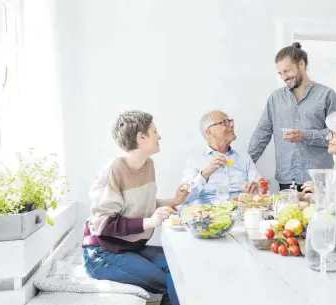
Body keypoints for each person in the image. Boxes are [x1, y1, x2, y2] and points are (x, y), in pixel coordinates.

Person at [82, 110, 187, 305]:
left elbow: (140, 205)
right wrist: (150, 222)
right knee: (177, 280)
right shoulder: (113, 171)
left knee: (181, 264)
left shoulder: (148, 165)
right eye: (155, 131)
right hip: (103, 254)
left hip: (130, 249)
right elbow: (104, 224)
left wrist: (174, 201)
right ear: (141, 137)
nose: (159, 136)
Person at [248, 41, 336, 192]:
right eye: (280, 73)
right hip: (287, 179)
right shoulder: (275, 98)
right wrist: (244, 165)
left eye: (287, 71)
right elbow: (262, 134)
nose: (283, 77)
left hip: (318, 180)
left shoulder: (327, 95)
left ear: (301, 64)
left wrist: (305, 135)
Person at [181, 110, 261, 204]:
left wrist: (256, 190)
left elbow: (262, 189)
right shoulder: (194, 160)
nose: (231, 125)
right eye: (224, 122)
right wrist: (206, 173)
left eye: (230, 121)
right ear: (209, 132)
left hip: (241, 212)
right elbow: (183, 198)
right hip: (209, 214)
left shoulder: (243, 158)